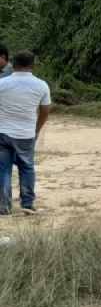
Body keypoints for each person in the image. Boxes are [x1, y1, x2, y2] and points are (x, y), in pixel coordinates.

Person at [0, 51, 50, 216]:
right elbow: (45, 111)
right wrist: (36, 129)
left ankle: (4, 206)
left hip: (3, 132)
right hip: (26, 133)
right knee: (27, 167)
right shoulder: (41, 85)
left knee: (3, 169)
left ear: (13, 64)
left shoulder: (2, 83)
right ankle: (27, 204)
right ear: (32, 65)